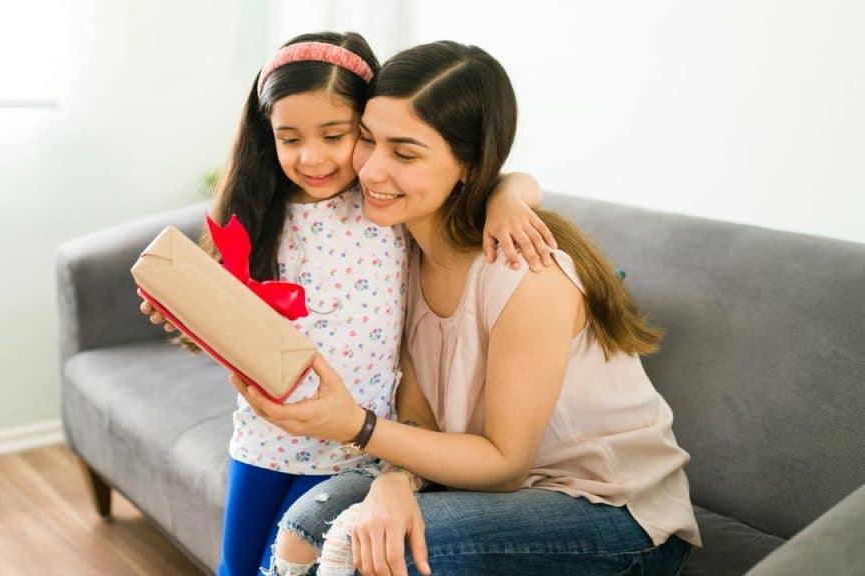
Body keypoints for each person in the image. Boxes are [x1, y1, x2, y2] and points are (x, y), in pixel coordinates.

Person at [236, 40, 702, 576]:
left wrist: (359, 427)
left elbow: (505, 464)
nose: (370, 170)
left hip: (613, 515)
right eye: (367, 139)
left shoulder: (526, 275)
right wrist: (393, 480)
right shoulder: (402, 250)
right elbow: (420, 413)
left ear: (469, 165)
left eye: (405, 153)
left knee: (364, 552)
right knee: (303, 527)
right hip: (484, 480)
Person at [138, 32, 554, 576]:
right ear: (269, 137)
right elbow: (240, 322)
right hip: (263, 438)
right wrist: (191, 313)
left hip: (350, 449)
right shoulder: (260, 210)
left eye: (335, 135)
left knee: (286, 568)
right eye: (289, 138)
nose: (312, 157)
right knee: (235, 568)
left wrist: (507, 199)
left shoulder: (384, 202)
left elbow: (504, 177)